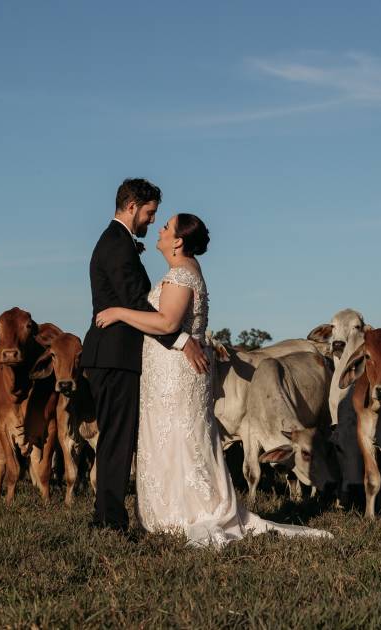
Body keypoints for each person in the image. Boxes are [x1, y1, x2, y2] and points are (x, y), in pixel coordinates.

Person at [95, 210, 331, 547]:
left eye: (166, 226)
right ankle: (174, 509)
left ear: (177, 241)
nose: (159, 229)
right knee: (179, 436)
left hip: (175, 373)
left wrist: (118, 312)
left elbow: (166, 323)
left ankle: (186, 511)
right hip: (171, 371)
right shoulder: (185, 271)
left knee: (180, 436)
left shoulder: (180, 276)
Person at [81, 178, 208, 533]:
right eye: (151, 213)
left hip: (117, 355)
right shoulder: (116, 245)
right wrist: (182, 341)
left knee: (118, 438)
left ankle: (109, 515)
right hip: (114, 355)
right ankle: (109, 521)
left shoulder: (118, 242)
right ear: (133, 205)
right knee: (117, 440)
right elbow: (135, 304)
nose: (153, 221)